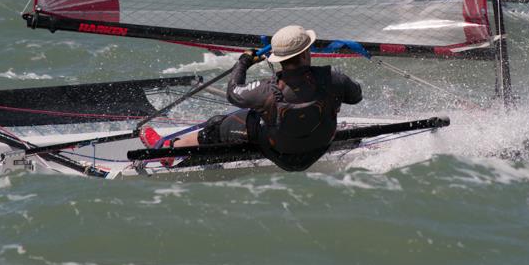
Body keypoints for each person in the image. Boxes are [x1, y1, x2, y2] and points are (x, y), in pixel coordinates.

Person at [140, 25, 363, 171]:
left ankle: (168, 148)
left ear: (278, 59)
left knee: (218, 124)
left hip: (282, 154)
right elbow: (356, 97)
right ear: (307, 52)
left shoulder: (265, 89)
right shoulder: (334, 78)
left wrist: (244, 62)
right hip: (318, 148)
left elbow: (233, 92)